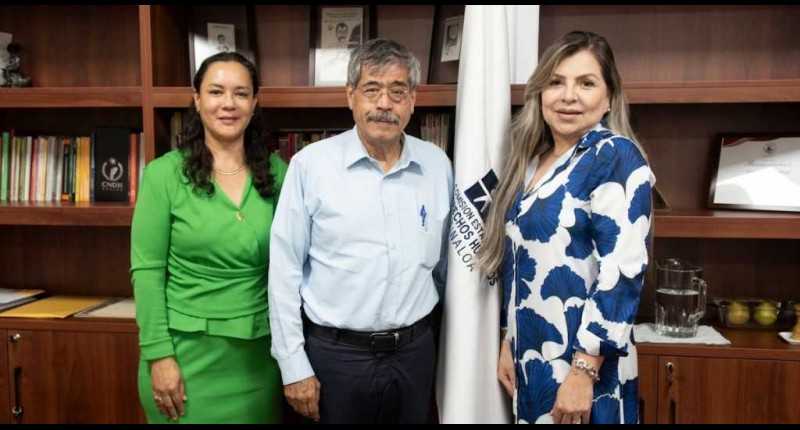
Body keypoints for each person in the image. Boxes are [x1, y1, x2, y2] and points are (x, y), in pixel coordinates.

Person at [269, 38, 453, 424]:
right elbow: (284, 272)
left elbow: (445, 269)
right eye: (372, 89)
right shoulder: (310, 166)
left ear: (413, 99)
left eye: (397, 91)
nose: (384, 104)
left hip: (414, 354)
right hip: (335, 358)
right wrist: (293, 365)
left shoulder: (437, 165)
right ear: (350, 95)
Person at [478, 30, 654, 424]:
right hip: (535, 359)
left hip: (585, 369)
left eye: (586, 83)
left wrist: (584, 372)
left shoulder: (614, 155)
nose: (568, 96)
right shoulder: (533, 163)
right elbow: (520, 264)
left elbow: (621, 274)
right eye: (556, 82)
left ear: (609, 97)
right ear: (540, 92)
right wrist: (510, 338)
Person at [130, 51, 287, 424]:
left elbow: (293, 266)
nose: (228, 103)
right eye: (216, 92)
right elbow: (147, 272)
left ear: (254, 103)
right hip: (183, 358)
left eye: (240, 93)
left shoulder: (279, 173)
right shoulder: (163, 176)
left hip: (258, 361)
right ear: (197, 101)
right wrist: (159, 355)